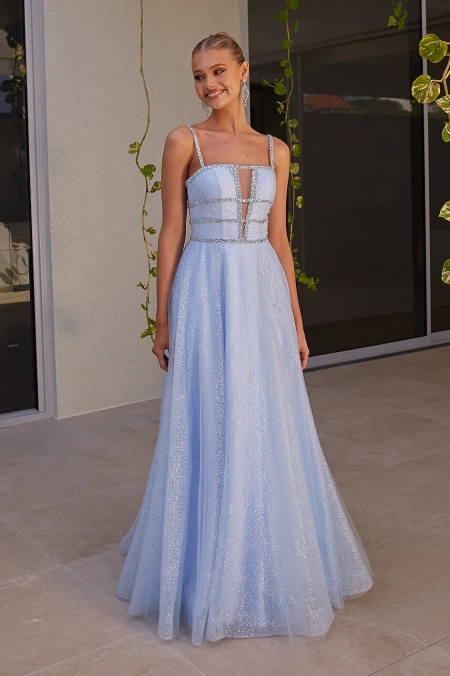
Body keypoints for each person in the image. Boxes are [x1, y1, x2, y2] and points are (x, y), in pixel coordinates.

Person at [116, 31, 373, 647]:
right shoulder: (186, 141)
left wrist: (297, 322)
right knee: (212, 418)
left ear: (241, 71)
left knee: (265, 418)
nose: (209, 85)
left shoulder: (275, 150)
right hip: (204, 290)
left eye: (218, 72)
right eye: (199, 76)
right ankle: (205, 567)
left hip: (258, 291)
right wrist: (164, 318)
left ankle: (264, 558)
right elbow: (172, 233)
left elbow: (280, 241)